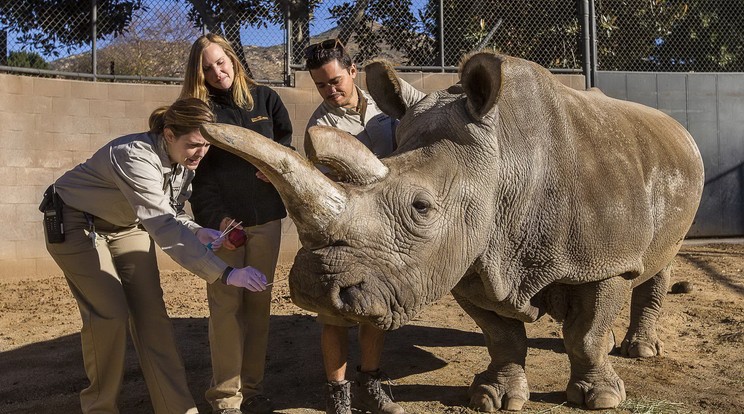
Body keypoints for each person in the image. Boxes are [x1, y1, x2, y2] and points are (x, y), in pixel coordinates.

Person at [41, 97, 269, 414]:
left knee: (153, 319)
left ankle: (177, 409)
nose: (201, 153)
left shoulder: (183, 161)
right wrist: (227, 273)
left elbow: (171, 212)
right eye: (194, 145)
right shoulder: (133, 155)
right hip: (76, 222)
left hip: (128, 226)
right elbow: (162, 225)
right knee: (110, 313)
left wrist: (197, 231)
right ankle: (99, 408)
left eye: (206, 145)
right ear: (169, 134)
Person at [180, 33, 293, 414]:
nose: (217, 71)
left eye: (221, 62)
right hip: (225, 226)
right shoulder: (200, 112)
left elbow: (286, 149)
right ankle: (226, 398)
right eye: (207, 67)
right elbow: (198, 177)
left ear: (233, 58)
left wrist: (275, 169)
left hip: (266, 220)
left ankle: (254, 389)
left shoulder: (267, 100)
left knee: (259, 306)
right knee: (225, 307)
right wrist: (216, 219)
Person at [304, 38, 407, 414]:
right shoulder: (321, 125)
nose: (330, 90)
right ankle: (339, 396)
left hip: (389, 227)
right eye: (321, 85)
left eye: (334, 80)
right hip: (346, 230)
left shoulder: (386, 105)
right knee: (336, 314)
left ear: (352, 71)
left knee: (375, 308)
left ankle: (372, 384)